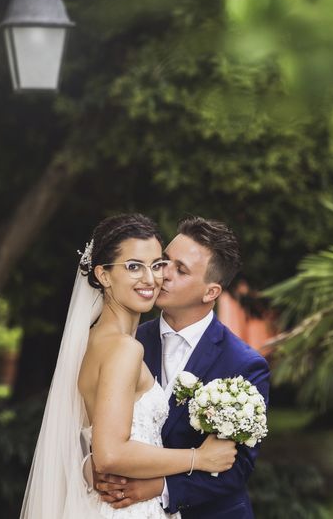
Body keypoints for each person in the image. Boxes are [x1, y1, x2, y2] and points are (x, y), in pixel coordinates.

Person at [20, 213, 238, 519]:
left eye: (156, 265)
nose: (152, 279)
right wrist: (198, 458)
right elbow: (110, 454)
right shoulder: (124, 348)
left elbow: (90, 438)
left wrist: (88, 467)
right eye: (134, 266)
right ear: (104, 275)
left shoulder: (93, 339)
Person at [93, 215, 271, 519]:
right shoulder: (127, 342)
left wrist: (159, 487)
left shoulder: (244, 364)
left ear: (210, 292)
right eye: (164, 262)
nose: (162, 274)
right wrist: (92, 469)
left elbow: (236, 467)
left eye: (181, 270)